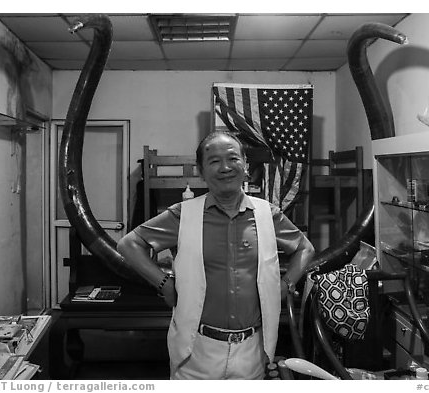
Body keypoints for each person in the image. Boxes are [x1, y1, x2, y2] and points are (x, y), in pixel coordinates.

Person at [117, 131, 314, 379]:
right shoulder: (183, 215)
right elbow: (129, 244)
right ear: (201, 171)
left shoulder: (268, 214)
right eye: (214, 161)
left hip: (252, 350)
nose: (225, 168)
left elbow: (305, 248)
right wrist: (164, 283)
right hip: (195, 350)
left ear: (246, 166)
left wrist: (286, 284)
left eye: (233, 159)